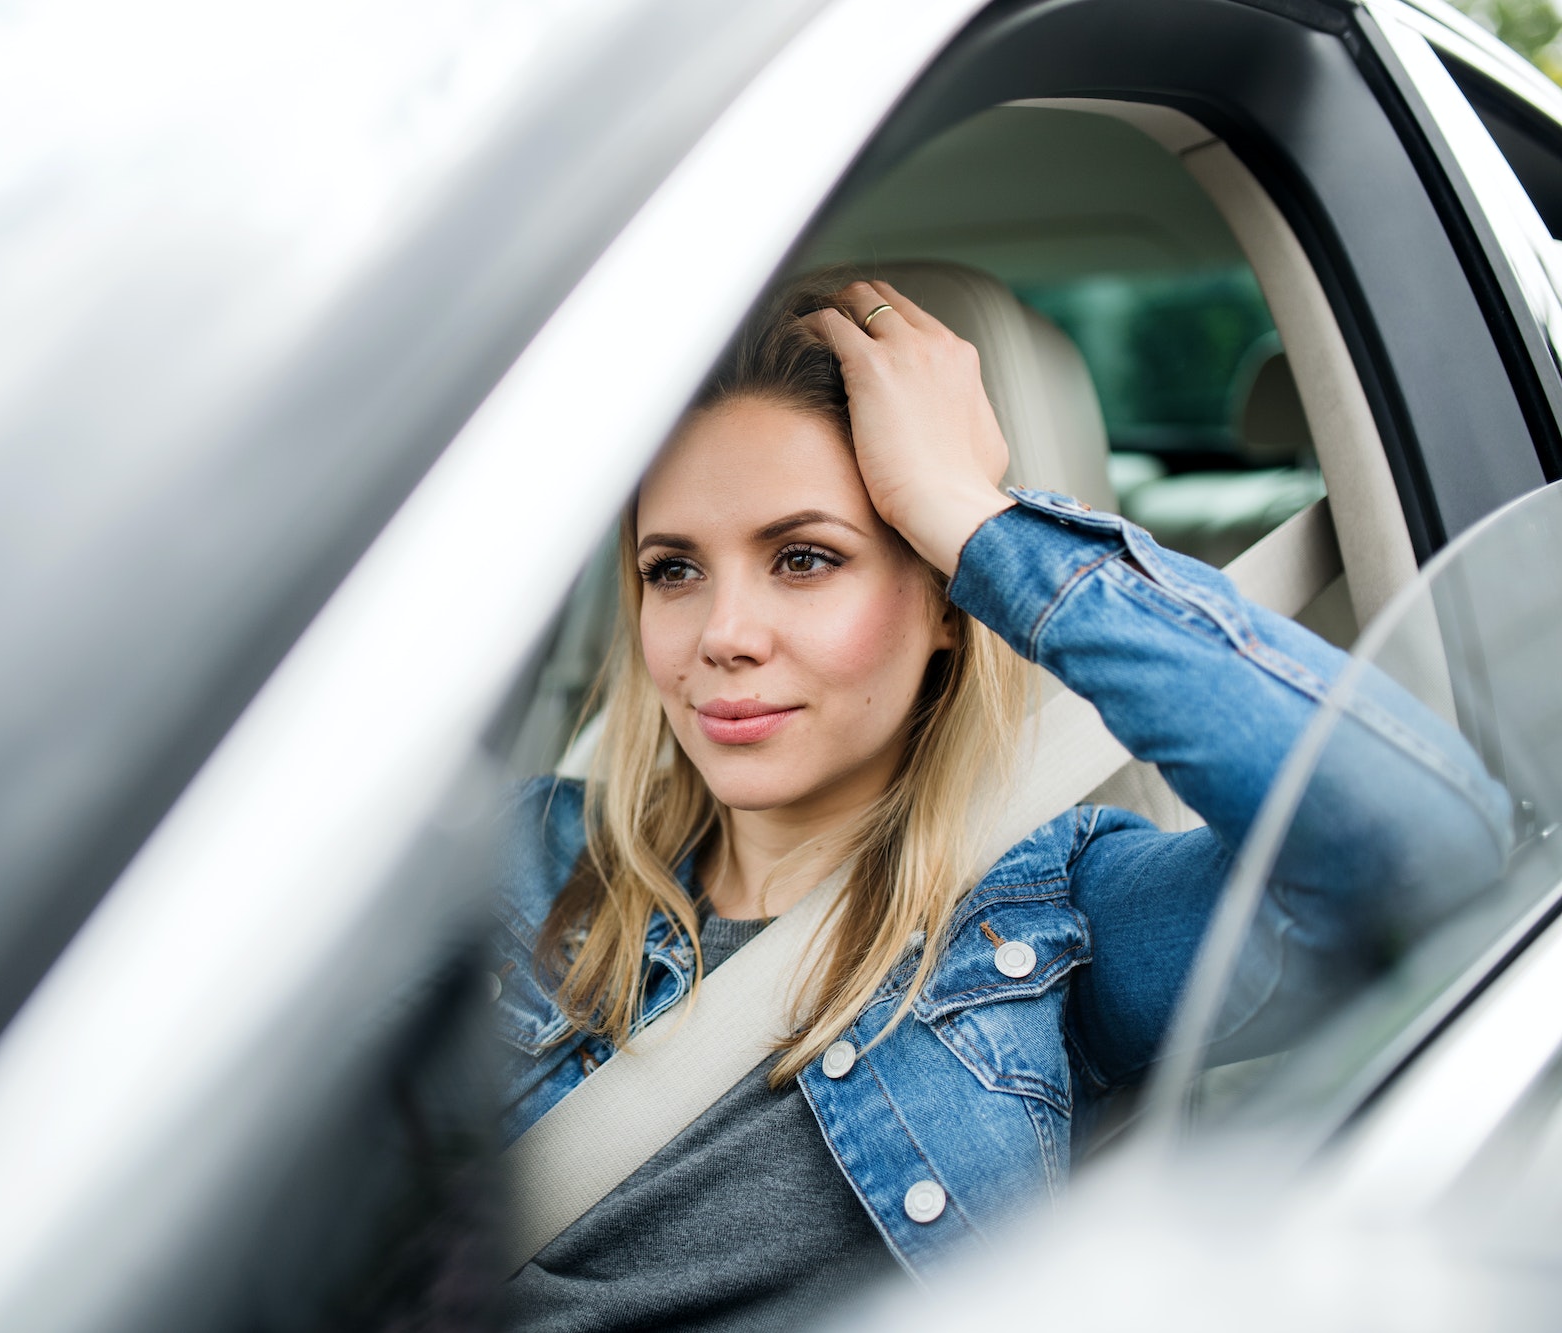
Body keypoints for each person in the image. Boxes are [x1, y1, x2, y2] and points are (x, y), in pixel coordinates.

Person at [492, 278, 1509, 1331]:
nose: (722, 633)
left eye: (803, 558)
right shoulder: (516, 856)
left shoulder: (1044, 921)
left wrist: (973, 520)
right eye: (672, 570)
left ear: (943, 598)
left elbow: (1420, 856)